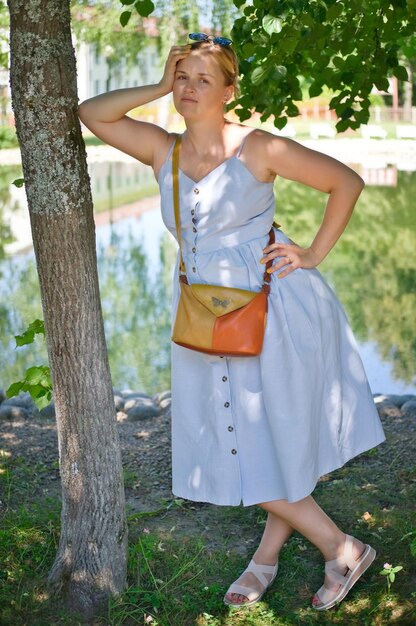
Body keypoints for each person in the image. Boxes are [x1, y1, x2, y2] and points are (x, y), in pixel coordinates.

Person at [78, 34, 385, 611]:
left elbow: (346, 182)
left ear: (229, 90)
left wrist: (312, 254)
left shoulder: (257, 148)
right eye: (182, 77)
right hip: (203, 316)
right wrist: (155, 84)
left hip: (273, 308)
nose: (189, 89)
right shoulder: (161, 149)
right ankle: (270, 558)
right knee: (241, 432)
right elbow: (91, 113)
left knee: (258, 435)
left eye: (203, 79)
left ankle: (342, 549)